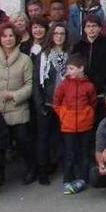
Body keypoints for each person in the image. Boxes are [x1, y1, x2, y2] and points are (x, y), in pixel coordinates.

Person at [0, 22, 36, 185]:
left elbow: (30, 85)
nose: (8, 39)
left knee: (23, 140)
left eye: (11, 36)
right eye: (4, 36)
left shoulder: (25, 59)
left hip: (17, 109)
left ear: (16, 38)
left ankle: (31, 169)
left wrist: (14, 95)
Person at [53, 54, 96, 195]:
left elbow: (92, 102)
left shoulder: (89, 86)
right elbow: (57, 102)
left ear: (81, 68)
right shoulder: (64, 84)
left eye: (72, 68)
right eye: (68, 68)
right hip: (68, 125)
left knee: (84, 152)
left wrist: (87, 113)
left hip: (85, 124)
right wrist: (64, 114)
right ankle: (68, 178)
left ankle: (83, 178)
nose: (69, 71)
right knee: (69, 153)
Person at [33, 22, 68, 185]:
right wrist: (39, 103)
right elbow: (36, 81)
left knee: (62, 138)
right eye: (56, 33)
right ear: (51, 35)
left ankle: (61, 166)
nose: (59, 36)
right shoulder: (43, 55)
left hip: (65, 105)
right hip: (47, 102)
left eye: (62, 33)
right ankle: (43, 170)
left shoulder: (70, 54)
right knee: (44, 138)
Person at [70, 15, 106, 103]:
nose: (91, 29)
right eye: (88, 26)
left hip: (102, 90)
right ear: (84, 29)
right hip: (81, 90)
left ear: (100, 28)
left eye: (94, 26)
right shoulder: (78, 47)